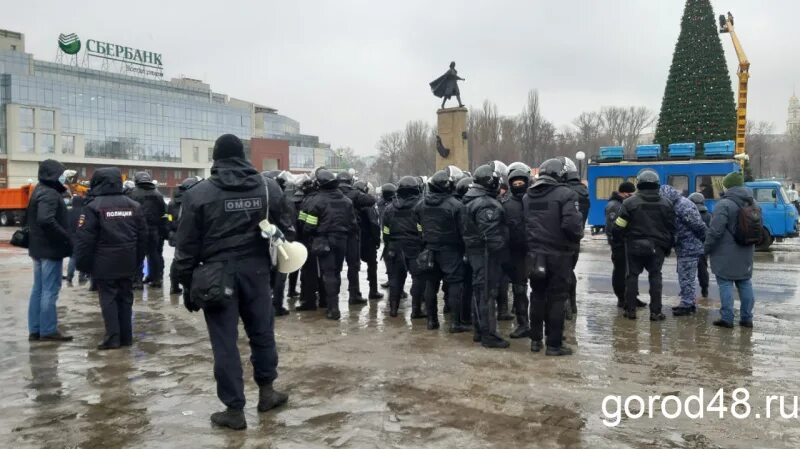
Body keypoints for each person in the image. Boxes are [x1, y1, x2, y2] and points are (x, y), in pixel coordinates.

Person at [175, 134, 287, 430]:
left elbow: (185, 246)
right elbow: (286, 227)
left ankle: (234, 409)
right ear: (243, 156)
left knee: (224, 342)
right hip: (258, 271)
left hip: (215, 274)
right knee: (262, 332)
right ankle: (267, 392)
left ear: (216, 158)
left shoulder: (198, 194)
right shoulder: (268, 187)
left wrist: (185, 285)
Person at [74, 168, 147, 350]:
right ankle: (126, 337)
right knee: (126, 298)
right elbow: (143, 237)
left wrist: (84, 265)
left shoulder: (92, 207)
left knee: (108, 298)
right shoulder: (133, 206)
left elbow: (84, 240)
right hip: (128, 260)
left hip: (104, 262)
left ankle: (113, 337)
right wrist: (137, 260)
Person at [523, 158, 584, 356]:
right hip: (558, 255)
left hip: (535, 254)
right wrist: (575, 238)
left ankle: (535, 340)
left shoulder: (528, 196)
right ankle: (554, 344)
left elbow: (526, 224)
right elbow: (572, 226)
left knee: (537, 295)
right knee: (557, 299)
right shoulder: (566, 194)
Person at [613, 169, 675, 321]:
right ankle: (655, 312)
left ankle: (630, 310)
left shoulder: (629, 202)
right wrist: (668, 246)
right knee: (655, 277)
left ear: (639, 184)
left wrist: (622, 239)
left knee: (632, 277)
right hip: (658, 247)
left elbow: (618, 226)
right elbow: (672, 228)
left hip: (634, 246)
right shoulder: (666, 203)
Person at [26, 159, 74, 342]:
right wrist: (66, 237)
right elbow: (46, 220)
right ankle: (47, 330)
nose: (63, 177)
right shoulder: (50, 194)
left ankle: (36, 329)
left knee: (38, 289)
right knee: (49, 290)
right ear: (53, 175)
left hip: (38, 249)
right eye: (61, 173)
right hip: (49, 249)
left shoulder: (39, 190)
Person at [299, 169, 357, 320]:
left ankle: (333, 309)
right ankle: (331, 304)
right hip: (342, 241)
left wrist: (312, 236)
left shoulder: (316, 201)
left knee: (328, 274)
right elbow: (353, 225)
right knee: (336, 273)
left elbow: (308, 227)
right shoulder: (347, 201)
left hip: (324, 241)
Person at [417, 168, 469, 332]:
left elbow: (418, 224)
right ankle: (455, 323)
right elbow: (464, 230)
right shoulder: (456, 205)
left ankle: (431, 321)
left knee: (431, 285)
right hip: (451, 250)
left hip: (429, 249)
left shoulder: (421, 204)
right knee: (455, 284)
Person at [463, 165, 509, 349]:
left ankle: (479, 331)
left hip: (476, 252)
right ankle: (488, 335)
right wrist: (502, 246)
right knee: (487, 292)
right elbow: (489, 234)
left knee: (479, 290)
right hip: (486, 254)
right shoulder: (485, 203)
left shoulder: (472, 199)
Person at [704, 172, 757, 328]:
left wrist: (705, 249)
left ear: (728, 186)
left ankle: (727, 318)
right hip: (746, 249)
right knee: (745, 282)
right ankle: (747, 318)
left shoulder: (724, 204)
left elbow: (715, 231)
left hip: (725, 252)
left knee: (725, 284)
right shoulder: (753, 203)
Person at [659, 185, 707, 316]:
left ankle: (687, 305)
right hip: (684, 246)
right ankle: (688, 302)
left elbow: (698, 225)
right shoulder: (677, 204)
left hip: (689, 246)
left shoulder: (682, 205)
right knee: (685, 276)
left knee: (687, 277)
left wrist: (703, 240)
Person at [382, 176, 426, 318]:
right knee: (418, 279)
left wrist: (388, 245)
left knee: (395, 279)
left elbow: (385, 231)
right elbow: (423, 229)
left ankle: (393, 310)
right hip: (415, 247)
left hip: (394, 247)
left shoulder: (389, 208)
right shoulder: (421, 206)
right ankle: (416, 310)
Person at [338, 171, 376, 304]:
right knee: (353, 265)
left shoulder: (331, 193)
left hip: (333, 234)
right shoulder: (354, 194)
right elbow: (371, 200)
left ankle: (328, 299)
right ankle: (354, 294)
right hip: (351, 234)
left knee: (333, 268)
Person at [263, 171, 297, 316]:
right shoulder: (283, 200)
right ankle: (277, 305)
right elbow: (288, 221)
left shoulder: (260, 198)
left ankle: (266, 303)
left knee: (267, 274)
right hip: (279, 240)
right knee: (280, 274)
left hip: (263, 240)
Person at [503, 167, 531, 339]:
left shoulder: (535, 200)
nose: (519, 185)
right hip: (516, 253)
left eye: (521, 183)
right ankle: (523, 323)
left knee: (544, 291)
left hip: (537, 251)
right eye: (516, 183)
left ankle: (550, 326)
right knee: (519, 290)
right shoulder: (506, 205)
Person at [604, 181, 640, 308]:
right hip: (619, 244)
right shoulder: (614, 206)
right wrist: (616, 242)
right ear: (623, 193)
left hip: (627, 243)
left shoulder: (622, 203)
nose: (632, 196)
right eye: (630, 193)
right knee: (620, 272)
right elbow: (612, 227)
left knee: (629, 272)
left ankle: (632, 296)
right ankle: (621, 298)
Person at [130, 171, 167, 289]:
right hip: (154, 229)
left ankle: (137, 281)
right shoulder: (158, 194)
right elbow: (163, 212)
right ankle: (156, 279)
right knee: (154, 254)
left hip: (137, 229)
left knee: (137, 255)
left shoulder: (132, 193)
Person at [167, 177, 202, 295]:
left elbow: (168, 218)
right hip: (189, 235)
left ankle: (174, 286)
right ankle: (189, 288)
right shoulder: (193, 200)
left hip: (176, 234)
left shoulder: (172, 202)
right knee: (191, 261)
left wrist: (172, 228)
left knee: (177, 260)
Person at [564, 164, 590, 320]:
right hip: (576, 237)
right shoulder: (584, 193)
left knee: (563, 272)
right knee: (570, 270)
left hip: (564, 238)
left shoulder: (566, 194)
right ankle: (572, 304)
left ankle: (566, 304)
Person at [354, 181, 383, 300]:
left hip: (355, 239)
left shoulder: (350, 203)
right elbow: (374, 224)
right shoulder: (368, 205)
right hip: (368, 239)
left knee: (354, 266)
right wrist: (377, 240)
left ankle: (354, 292)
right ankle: (373, 290)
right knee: (372, 265)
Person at [688, 192, 711, 298]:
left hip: (688, 245)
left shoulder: (688, 213)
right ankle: (705, 288)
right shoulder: (708, 215)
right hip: (702, 246)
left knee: (687, 270)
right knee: (703, 268)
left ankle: (688, 291)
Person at [377, 183, 397, 290]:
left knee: (394, 260)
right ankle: (391, 279)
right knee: (388, 258)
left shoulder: (394, 204)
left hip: (393, 234)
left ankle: (397, 284)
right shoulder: (382, 203)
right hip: (386, 231)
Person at [65, 195, 87, 287]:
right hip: (82, 237)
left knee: (72, 257)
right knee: (83, 257)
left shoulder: (68, 212)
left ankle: (69, 277)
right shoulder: (84, 212)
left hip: (70, 237)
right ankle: (81, 276)